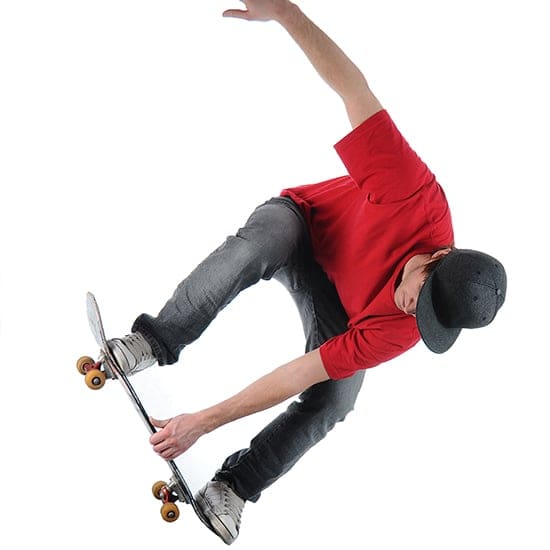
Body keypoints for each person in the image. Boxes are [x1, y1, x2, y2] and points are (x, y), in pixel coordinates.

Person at [101, 0, 507, 544]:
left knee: (338, 398)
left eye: (429, 316)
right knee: (259, 245)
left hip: (340, 303)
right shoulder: (410, 192)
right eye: (423, 294)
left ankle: (236, 487)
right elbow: (354, 90)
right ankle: (152, 341)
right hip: (303, 224)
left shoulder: (406, 329)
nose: (414, 309)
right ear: (436, 257)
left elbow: (303, 371)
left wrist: (204, 420)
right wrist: (288, 13)